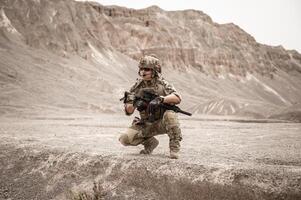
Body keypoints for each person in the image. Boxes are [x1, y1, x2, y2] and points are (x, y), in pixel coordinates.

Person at [118, 55, 182, 159]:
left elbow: (177, 98)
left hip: (162, 122)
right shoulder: (136, 87)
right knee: (124, 139)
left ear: (154, 70)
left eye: (147, 69)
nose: (143, 72)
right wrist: (132, 102)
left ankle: (174, 147)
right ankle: (150, 143)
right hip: (146, 123)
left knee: (170, 115)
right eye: (141, 69)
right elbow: (129, 112)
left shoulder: (162, 84)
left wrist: (161, 99)